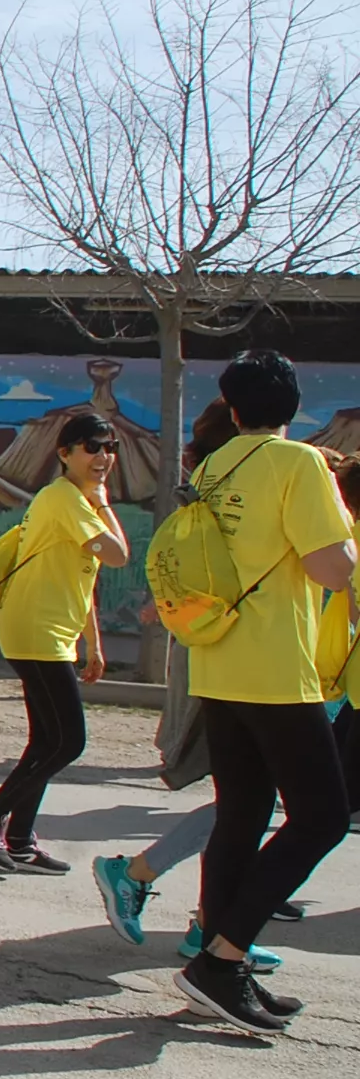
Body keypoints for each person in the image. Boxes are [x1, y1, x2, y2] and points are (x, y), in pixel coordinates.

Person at [167, 351, 353, 1035]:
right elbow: (331, 568)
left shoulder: (213, 467)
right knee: (322, 818)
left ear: (234, 407)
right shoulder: (299, 463)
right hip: (277, 667)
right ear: (293, 406)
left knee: (241, 815)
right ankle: (222, 957)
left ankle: (220, 966)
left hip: (218, 660)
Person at [93, 401, 295, 967]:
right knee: (251, 804)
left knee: (245, 803)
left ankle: (208, 924)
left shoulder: (220, 489)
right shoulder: (236, 492)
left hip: (237, 663)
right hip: (241, 667)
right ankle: (143, 877)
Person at [0, 412, 131, 875]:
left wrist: (93, 644)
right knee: (69, 742)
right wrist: (104, 504)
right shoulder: (64, 499)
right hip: (36, 630)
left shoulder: (75, 501)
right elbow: (118, 555)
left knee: (45, 742)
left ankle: (18, 841)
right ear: (65, 454)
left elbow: (83, 579)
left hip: (50, 631)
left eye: (110, 447)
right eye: (92, 447)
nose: (103, 456)